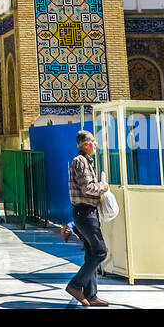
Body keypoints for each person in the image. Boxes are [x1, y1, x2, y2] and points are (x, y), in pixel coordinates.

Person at [65, 130, 111, 307]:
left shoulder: (85, 161)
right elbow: (87, 188)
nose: (95, 144)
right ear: (85, 145)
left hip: (85, 213)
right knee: (100, 251)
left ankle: (91, 295)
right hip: (85, 213)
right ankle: (75, 286)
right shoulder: (81, 162)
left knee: (92, 253)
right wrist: (104, 187)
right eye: (93, 141)